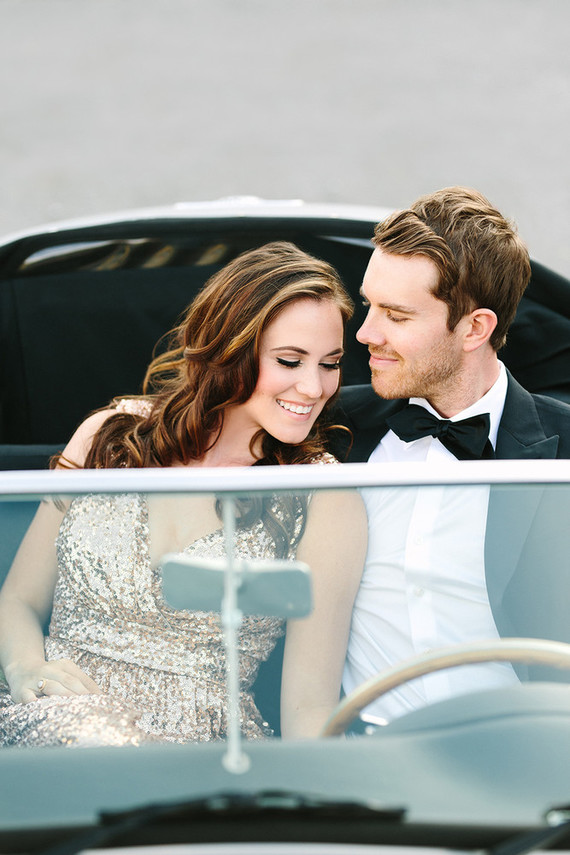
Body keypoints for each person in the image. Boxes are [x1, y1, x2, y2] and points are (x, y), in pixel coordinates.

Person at [0, 241, 367, 746]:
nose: (314, 387)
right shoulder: (107, 436)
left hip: (208, 752)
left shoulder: (324, 495)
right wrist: (25, 667)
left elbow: (309, 706)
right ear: (227, 349)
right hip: (56, 725)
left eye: (330, 363)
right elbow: (17, 598)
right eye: (289, 360)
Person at [337, 186, 570, 724]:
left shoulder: (564, 455)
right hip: (354, 762)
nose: (365, 332)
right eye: (370, 305)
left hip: (521, 762)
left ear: (475, 328)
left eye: (396, 315)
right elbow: (200, 420)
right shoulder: (325, 427)